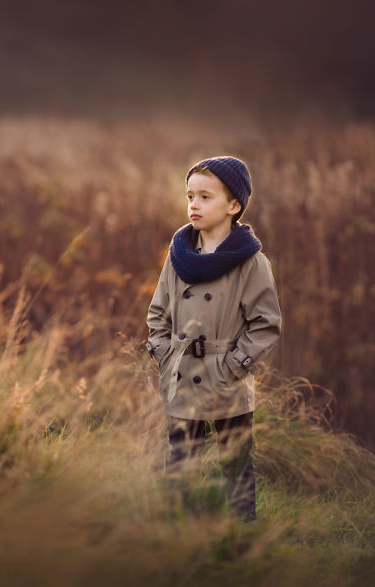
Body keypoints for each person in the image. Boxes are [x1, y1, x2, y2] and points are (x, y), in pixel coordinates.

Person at [146, 156, 281, 521]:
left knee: (235, 465)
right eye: (190, 195)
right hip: (183, 376)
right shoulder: (178, 257)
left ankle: (242, 538)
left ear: (233, 205)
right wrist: (163, 353)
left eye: (206, 196)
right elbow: (157, 314)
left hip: (228, 381)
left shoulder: (252, 263)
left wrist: (233, 367)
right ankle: (178, 535)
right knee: (180, 462)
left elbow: (265, 324)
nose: (194, 204)